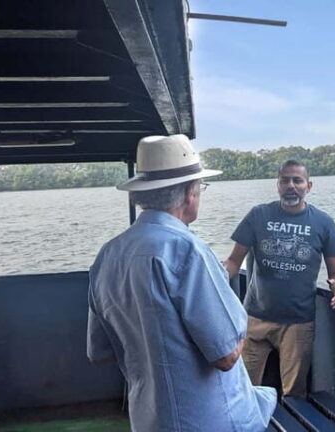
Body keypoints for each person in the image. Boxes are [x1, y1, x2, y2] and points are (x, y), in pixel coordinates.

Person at [86, 135, 276, 432]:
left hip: (149, 422)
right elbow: (226, 355)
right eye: (200, 188)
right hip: (211, 422)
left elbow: (99, 352)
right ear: (190, 193)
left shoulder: (107, 256)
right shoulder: (187, 251)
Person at [224, 160, 335, 397]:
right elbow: (233, 262)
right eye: (285, 180)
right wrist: (214, 275)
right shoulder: (258, 215)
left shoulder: (324, 223)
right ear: (277, 185)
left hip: (298, 323)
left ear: (308, 186)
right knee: (243, 389)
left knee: (294, 393)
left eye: (297, 180)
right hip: (255, 319)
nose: (291, 185)